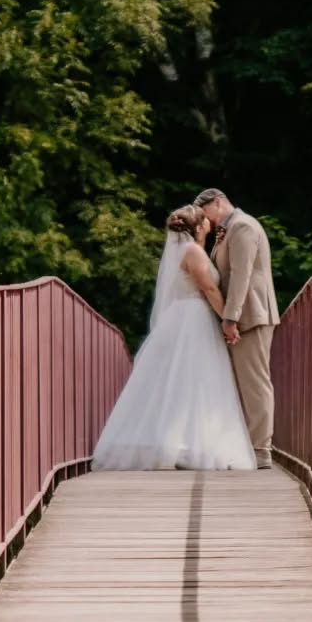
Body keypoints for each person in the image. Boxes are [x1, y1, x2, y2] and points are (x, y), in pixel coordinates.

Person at [91, 205, 256, 472]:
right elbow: (209, 288)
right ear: (198, 227)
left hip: (182, 317)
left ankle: (180, 443)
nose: (209, 223)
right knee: (199, 380)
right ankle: (192, 445)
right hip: (194, 318)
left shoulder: (186, 250)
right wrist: (228, 321)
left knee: (182, 381)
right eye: (204, 221)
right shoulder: (192, 251)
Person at [193, 188, 278, 469]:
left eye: (205, 212)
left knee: (254, 384)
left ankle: (260, 451)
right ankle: (246, 448)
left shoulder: (243, 227)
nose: (205, 219)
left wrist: (230, 318)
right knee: (242, 384)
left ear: (217, 202)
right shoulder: (229, 230)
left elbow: (242, 275)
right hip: (242, 315)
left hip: (251, 315)